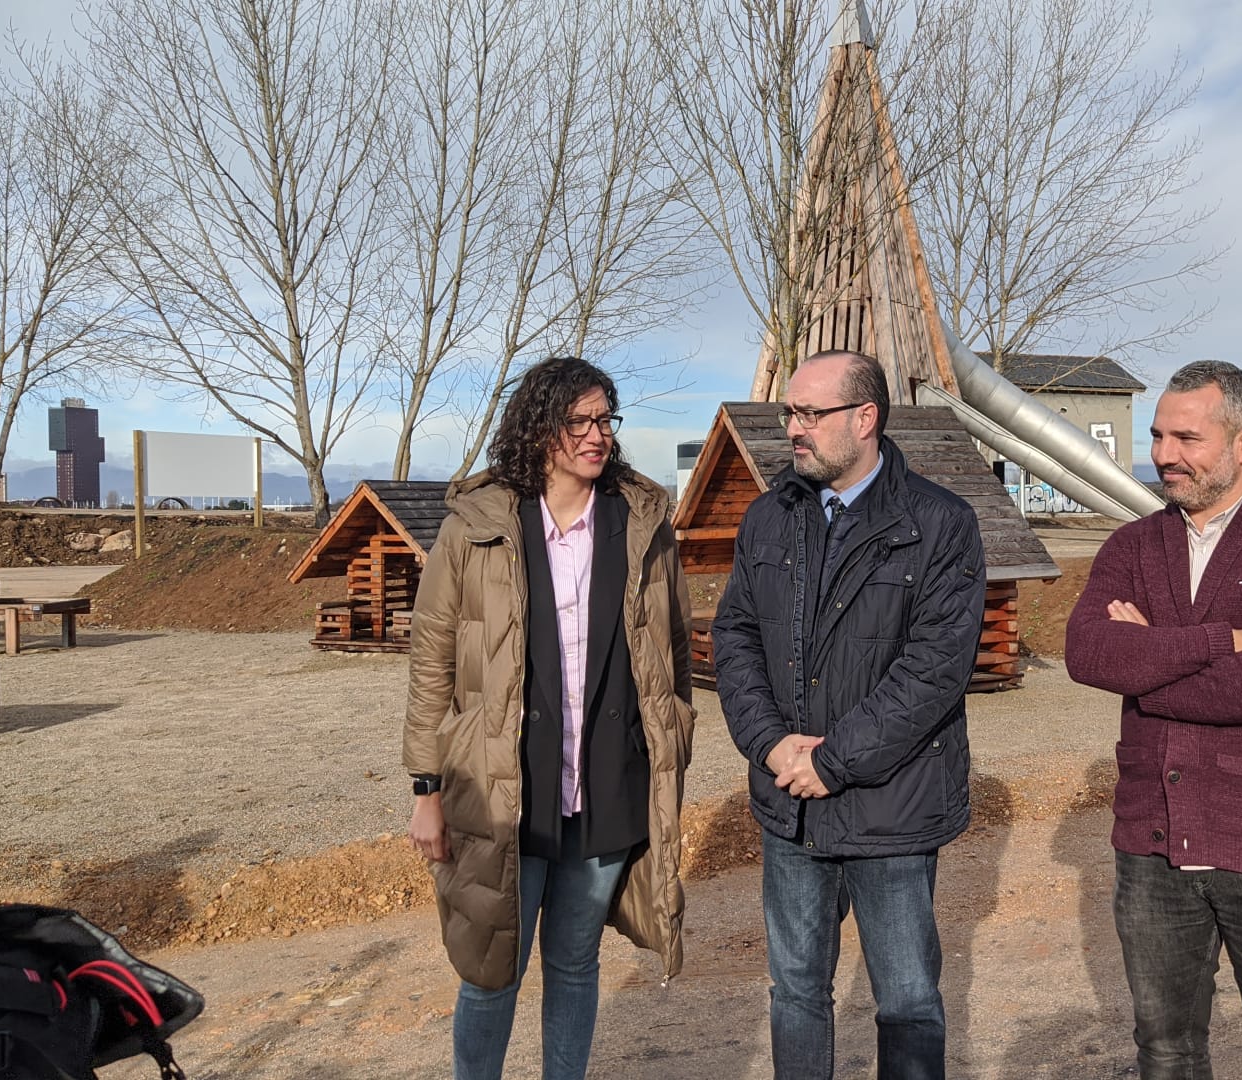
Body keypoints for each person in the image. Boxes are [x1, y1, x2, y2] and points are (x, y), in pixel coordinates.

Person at [403, 355, 696, 1080]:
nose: (597, 435)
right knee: (490, 970)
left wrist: (669, 739)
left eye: (605, 420)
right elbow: (431, 662)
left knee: (573, 964)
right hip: (502, 791)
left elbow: (676, 648)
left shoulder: (641, 523)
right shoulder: (476, 527)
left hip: (602, 786)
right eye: (580, 421)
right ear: (540, 430)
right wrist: (425, 788)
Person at [1064, 360, 1242, 1080]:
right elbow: (1088, 653)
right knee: (1165, 1055)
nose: (1163, 454)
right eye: (1159, 435)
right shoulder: (1132, 545)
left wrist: (1144, 668)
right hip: (1151, 849)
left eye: (1186, 437)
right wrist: (1218, 641)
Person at [711, 349, 986, 1080]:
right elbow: (734, 636)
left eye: (809, 413)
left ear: (864, 419)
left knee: (906, 1001)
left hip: (888, 807)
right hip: (791, 809)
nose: (792, 428)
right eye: (790, 413)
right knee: (796, 991)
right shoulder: (771, 517)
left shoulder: (940, 524)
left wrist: (830, 763)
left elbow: (933, 672)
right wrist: (772, 747)